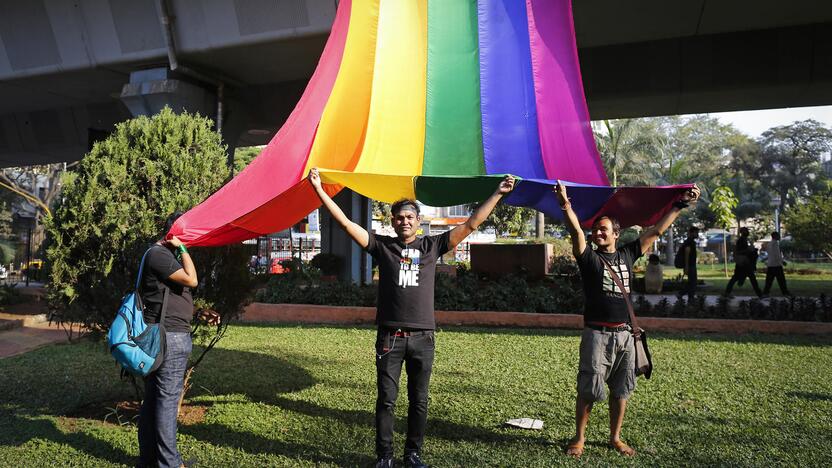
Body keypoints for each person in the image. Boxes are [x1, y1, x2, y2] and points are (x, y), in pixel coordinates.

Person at [308, 168, 515, 468]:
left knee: (419, 401)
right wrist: (320, 190)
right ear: (392, 222)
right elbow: (345, 223)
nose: (404, 221)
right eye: (399, 217)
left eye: (409, 217)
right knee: (387, 400)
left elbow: (472, 223)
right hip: (390, 338)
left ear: (418, 222)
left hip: (423, 338)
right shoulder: (383, 247)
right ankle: (385, 457)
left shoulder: (432, 247)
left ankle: (413, 455)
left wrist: (497, 193)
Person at [554, 182, 700, 458]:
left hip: (626, 335)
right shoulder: (589, 259)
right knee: (589, 388)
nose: (597, 232)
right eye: (596, 229)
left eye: (603, 229)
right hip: (596, 335)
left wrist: (680, 204)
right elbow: (575, 231)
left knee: (622, 390)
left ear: (616, 235)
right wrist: (565, 204)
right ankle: (579, 438)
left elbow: (657, 231)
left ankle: (615, 438)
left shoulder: (628, 254)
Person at [138, 212, 199, 468]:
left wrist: (198, 313)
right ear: (174, 234)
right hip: (169, 338)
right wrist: (183, 248)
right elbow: (191, 280)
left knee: (155, 400)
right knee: (166, 402)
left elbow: (169, 298)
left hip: (168, 334)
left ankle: (151, 460)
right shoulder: (159, 254)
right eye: (187, 236)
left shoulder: (162, 257)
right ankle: (170, 464)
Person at [723, 227, 762, 298]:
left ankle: (727, 292)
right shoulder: (741, 240)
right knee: (750, 278)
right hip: (743, 263)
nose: (747, 232)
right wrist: (749, 250)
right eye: (746, 230)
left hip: (744, 263)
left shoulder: (743, 240)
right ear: (742, 232)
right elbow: (740, 251)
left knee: (737, 278)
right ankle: (760, 294)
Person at [763, 231, 791, 297]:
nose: (779, 236)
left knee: (769, 280)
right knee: (781, 280)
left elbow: (770, 254)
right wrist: (782, 261)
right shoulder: (775, 244)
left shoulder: (769, 244)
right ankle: (785, 292)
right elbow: (777, 254)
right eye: (778, 235)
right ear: (775, 236)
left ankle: (765, 293)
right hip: (776, 265)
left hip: (770, 264)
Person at [677, 226, 699, 302]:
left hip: (691, 265)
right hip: (690, 265)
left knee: (691, 282)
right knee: (693, 283)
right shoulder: (689, 242)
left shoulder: (690, 241)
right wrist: (686, 266)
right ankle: (684, 295)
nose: (697, 234)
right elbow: (687, 252)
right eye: (696, 232)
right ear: (691, 233)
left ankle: (690, 297)